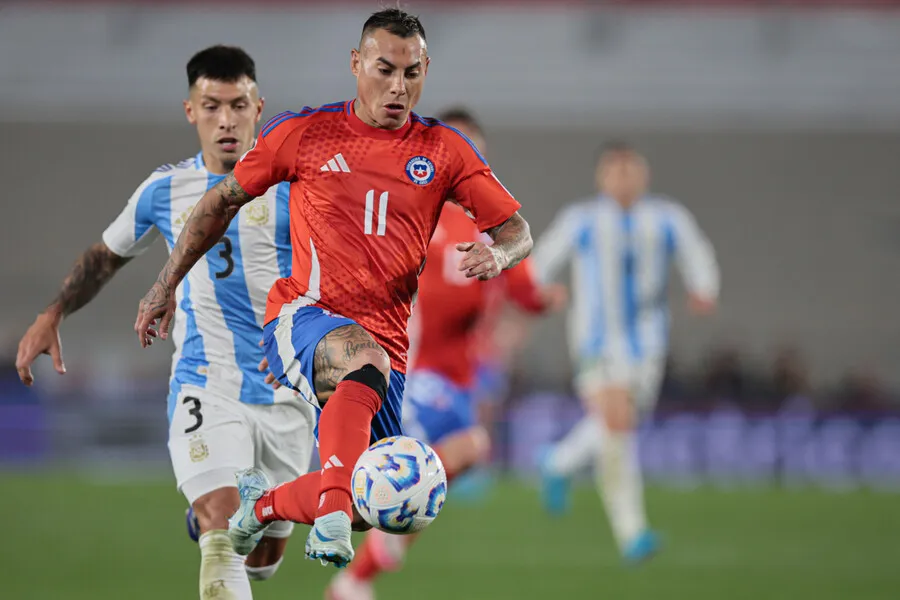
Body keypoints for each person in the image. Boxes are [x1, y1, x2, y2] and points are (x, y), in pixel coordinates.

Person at [133, 9, 534, 570]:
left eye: (412, 73)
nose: (398, 87)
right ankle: (329, 517)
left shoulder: (444, 150)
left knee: (373, 500)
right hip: (303, 316)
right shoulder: (306, 133)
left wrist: (500, 253)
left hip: (387, 348)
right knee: (361, 372)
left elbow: (517, 230)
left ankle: (262, 505)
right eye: (384, 69)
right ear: (356, 64)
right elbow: (221, 200)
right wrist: (165, 282)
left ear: (426, 70)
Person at [15, 46, 316, 599]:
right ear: (190, 111)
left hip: (285, 392)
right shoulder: (165, 189)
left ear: (258, 108)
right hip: (206, 382)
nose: (226, 120)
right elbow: (106, 256)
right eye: (212, 106)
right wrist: (53, 311)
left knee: (264, 556)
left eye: (238, 105)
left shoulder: (297, 190)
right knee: (222, 525)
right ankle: (209, 515)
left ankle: (221, 521)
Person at [326, 106, 564, 599]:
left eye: (474, 152)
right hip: (415, 370)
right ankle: (359, 551)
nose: (465, 160)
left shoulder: (489, 224)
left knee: (436, 470)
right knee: (465, 450)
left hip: (454, 377)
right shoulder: (415, 213)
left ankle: (363, 565)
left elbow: (523, 291)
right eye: (457, 148)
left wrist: (542, 299)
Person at [534, 141, 719, 563]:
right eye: (615, 170)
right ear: (601, 177)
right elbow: (542, 259)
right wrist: (540, 290)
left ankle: (559, 461)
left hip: (649, 343)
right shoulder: (582, 219)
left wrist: (704, 288)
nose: (624, 178)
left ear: (644, 174)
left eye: (630, 169)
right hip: (596, 340)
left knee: (619, 425)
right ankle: (632, 533)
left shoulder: (667, 218)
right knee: (617, 423)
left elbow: (696, 251)